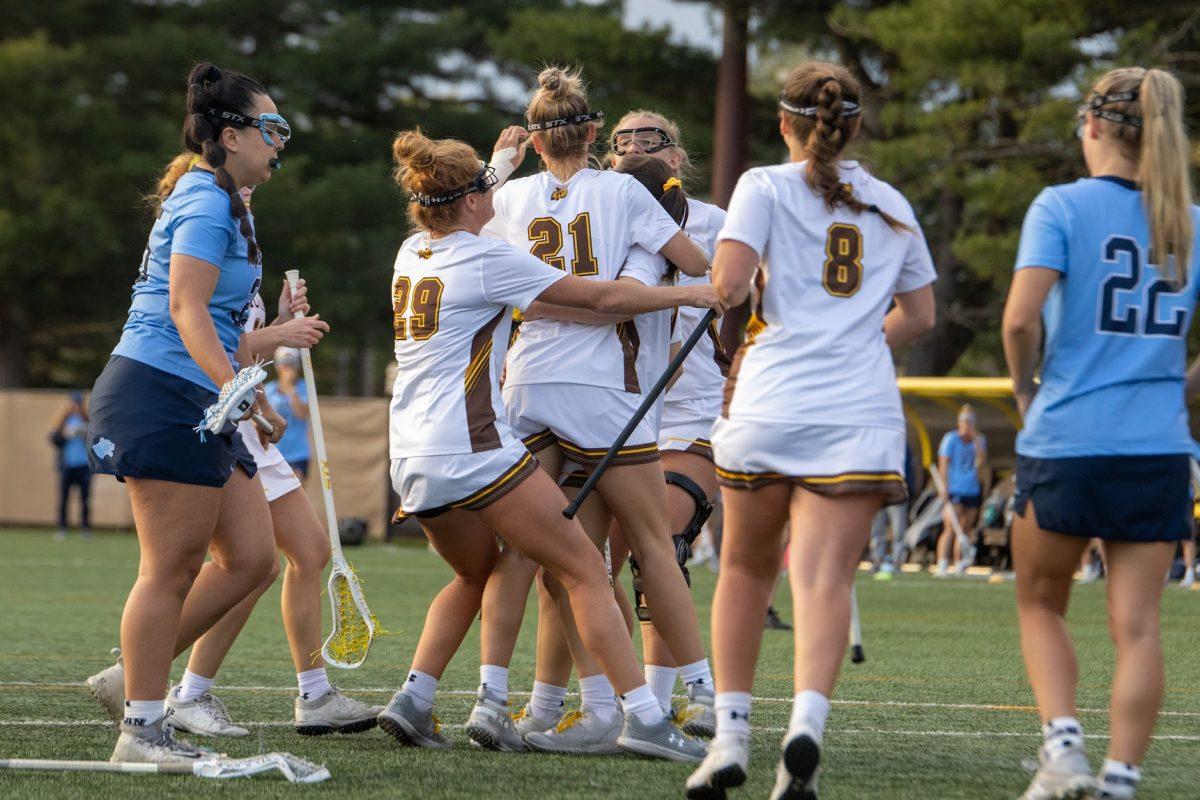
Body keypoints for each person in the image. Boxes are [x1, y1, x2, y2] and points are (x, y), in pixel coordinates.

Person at [373, 127, 718, 762]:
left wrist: (500, 163)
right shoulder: (486, 259)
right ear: (475, 200)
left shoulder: (411, 248)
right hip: (473, 447)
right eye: (487, 188)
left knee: (478, 574)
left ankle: (416, 700)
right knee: (584, 567)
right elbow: (603, 296)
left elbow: (464, 195)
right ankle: (643, 717)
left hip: (409, 456)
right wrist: (693, 291)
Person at [685, 61, 936, 799]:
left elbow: (728, 286)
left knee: (745, 570)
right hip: (856, 409)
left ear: (786, 123)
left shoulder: (761, 186)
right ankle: (806, 731)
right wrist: (854, 338)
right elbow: (920, 316)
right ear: (853, 124)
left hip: (770, 398)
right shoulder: (891, 202)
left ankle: (730, 735)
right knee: (822, 579)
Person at [462, 65, 716, 754]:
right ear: (596, 133)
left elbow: (473, 246)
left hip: (528, 380)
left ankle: (493, 697)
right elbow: (694, 261)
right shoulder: (625, 193)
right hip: (605, 387)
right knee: (650, 546)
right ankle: (699, 695)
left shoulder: (509, 200)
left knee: (525, 548)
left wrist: (497, 168)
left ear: (537, 141)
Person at [82, 62, 288, 764]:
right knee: (171, 568)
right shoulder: (205, 202)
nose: (280, 142)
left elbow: (219, 320)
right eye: (271, 128)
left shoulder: (223, 199)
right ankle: (142, 730)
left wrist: (245, 394)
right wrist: (236, 387)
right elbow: (185, 308)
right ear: (231, 136)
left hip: (193, 393)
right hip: (160, 391)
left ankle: (130, 675)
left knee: (254, 557)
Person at [1002, 66, 1197, 800]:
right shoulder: (1192, 218)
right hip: (1157, 446)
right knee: (1138, 626)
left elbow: (1020, 321)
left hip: (1068, 438)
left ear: (1092, 126)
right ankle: (1120, 780)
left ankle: (1064, 752)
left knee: (1040, 604)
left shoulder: (1059, 205)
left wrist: (1026, 390)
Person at [935, 404, 989, 576]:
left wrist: (977, 443)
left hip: (971, 490)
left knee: (965, 529)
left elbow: (982, 462)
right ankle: (942, 563)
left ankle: (960, 564)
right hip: (955, 489)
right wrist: (945, 487)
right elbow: (943, 464)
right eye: (965, 422)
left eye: (971, 422)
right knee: (951, 527)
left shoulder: (979, 441)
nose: (968, 426)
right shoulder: (950, 439)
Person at [50, 391, 92, 540]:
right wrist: (65, 435)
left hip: (84, 466)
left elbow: (94, 441)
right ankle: (62, 528)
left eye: (78, 403)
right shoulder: (62, 421)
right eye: (73, 403)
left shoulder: (86, 420)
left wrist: (84, 433)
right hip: (67, 466)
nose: (75, 406)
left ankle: (86, 528)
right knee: (64, 499)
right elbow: (53, 440)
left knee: (85, 499)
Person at [264, 347, 311, 480]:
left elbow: (302, 414)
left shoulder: (305, 388)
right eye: (284, 363)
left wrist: (290, 388)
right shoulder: (269, 389)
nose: (288, 368)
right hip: (273, 453)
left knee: (296, 494)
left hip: (298, 454)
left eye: (291, 363)